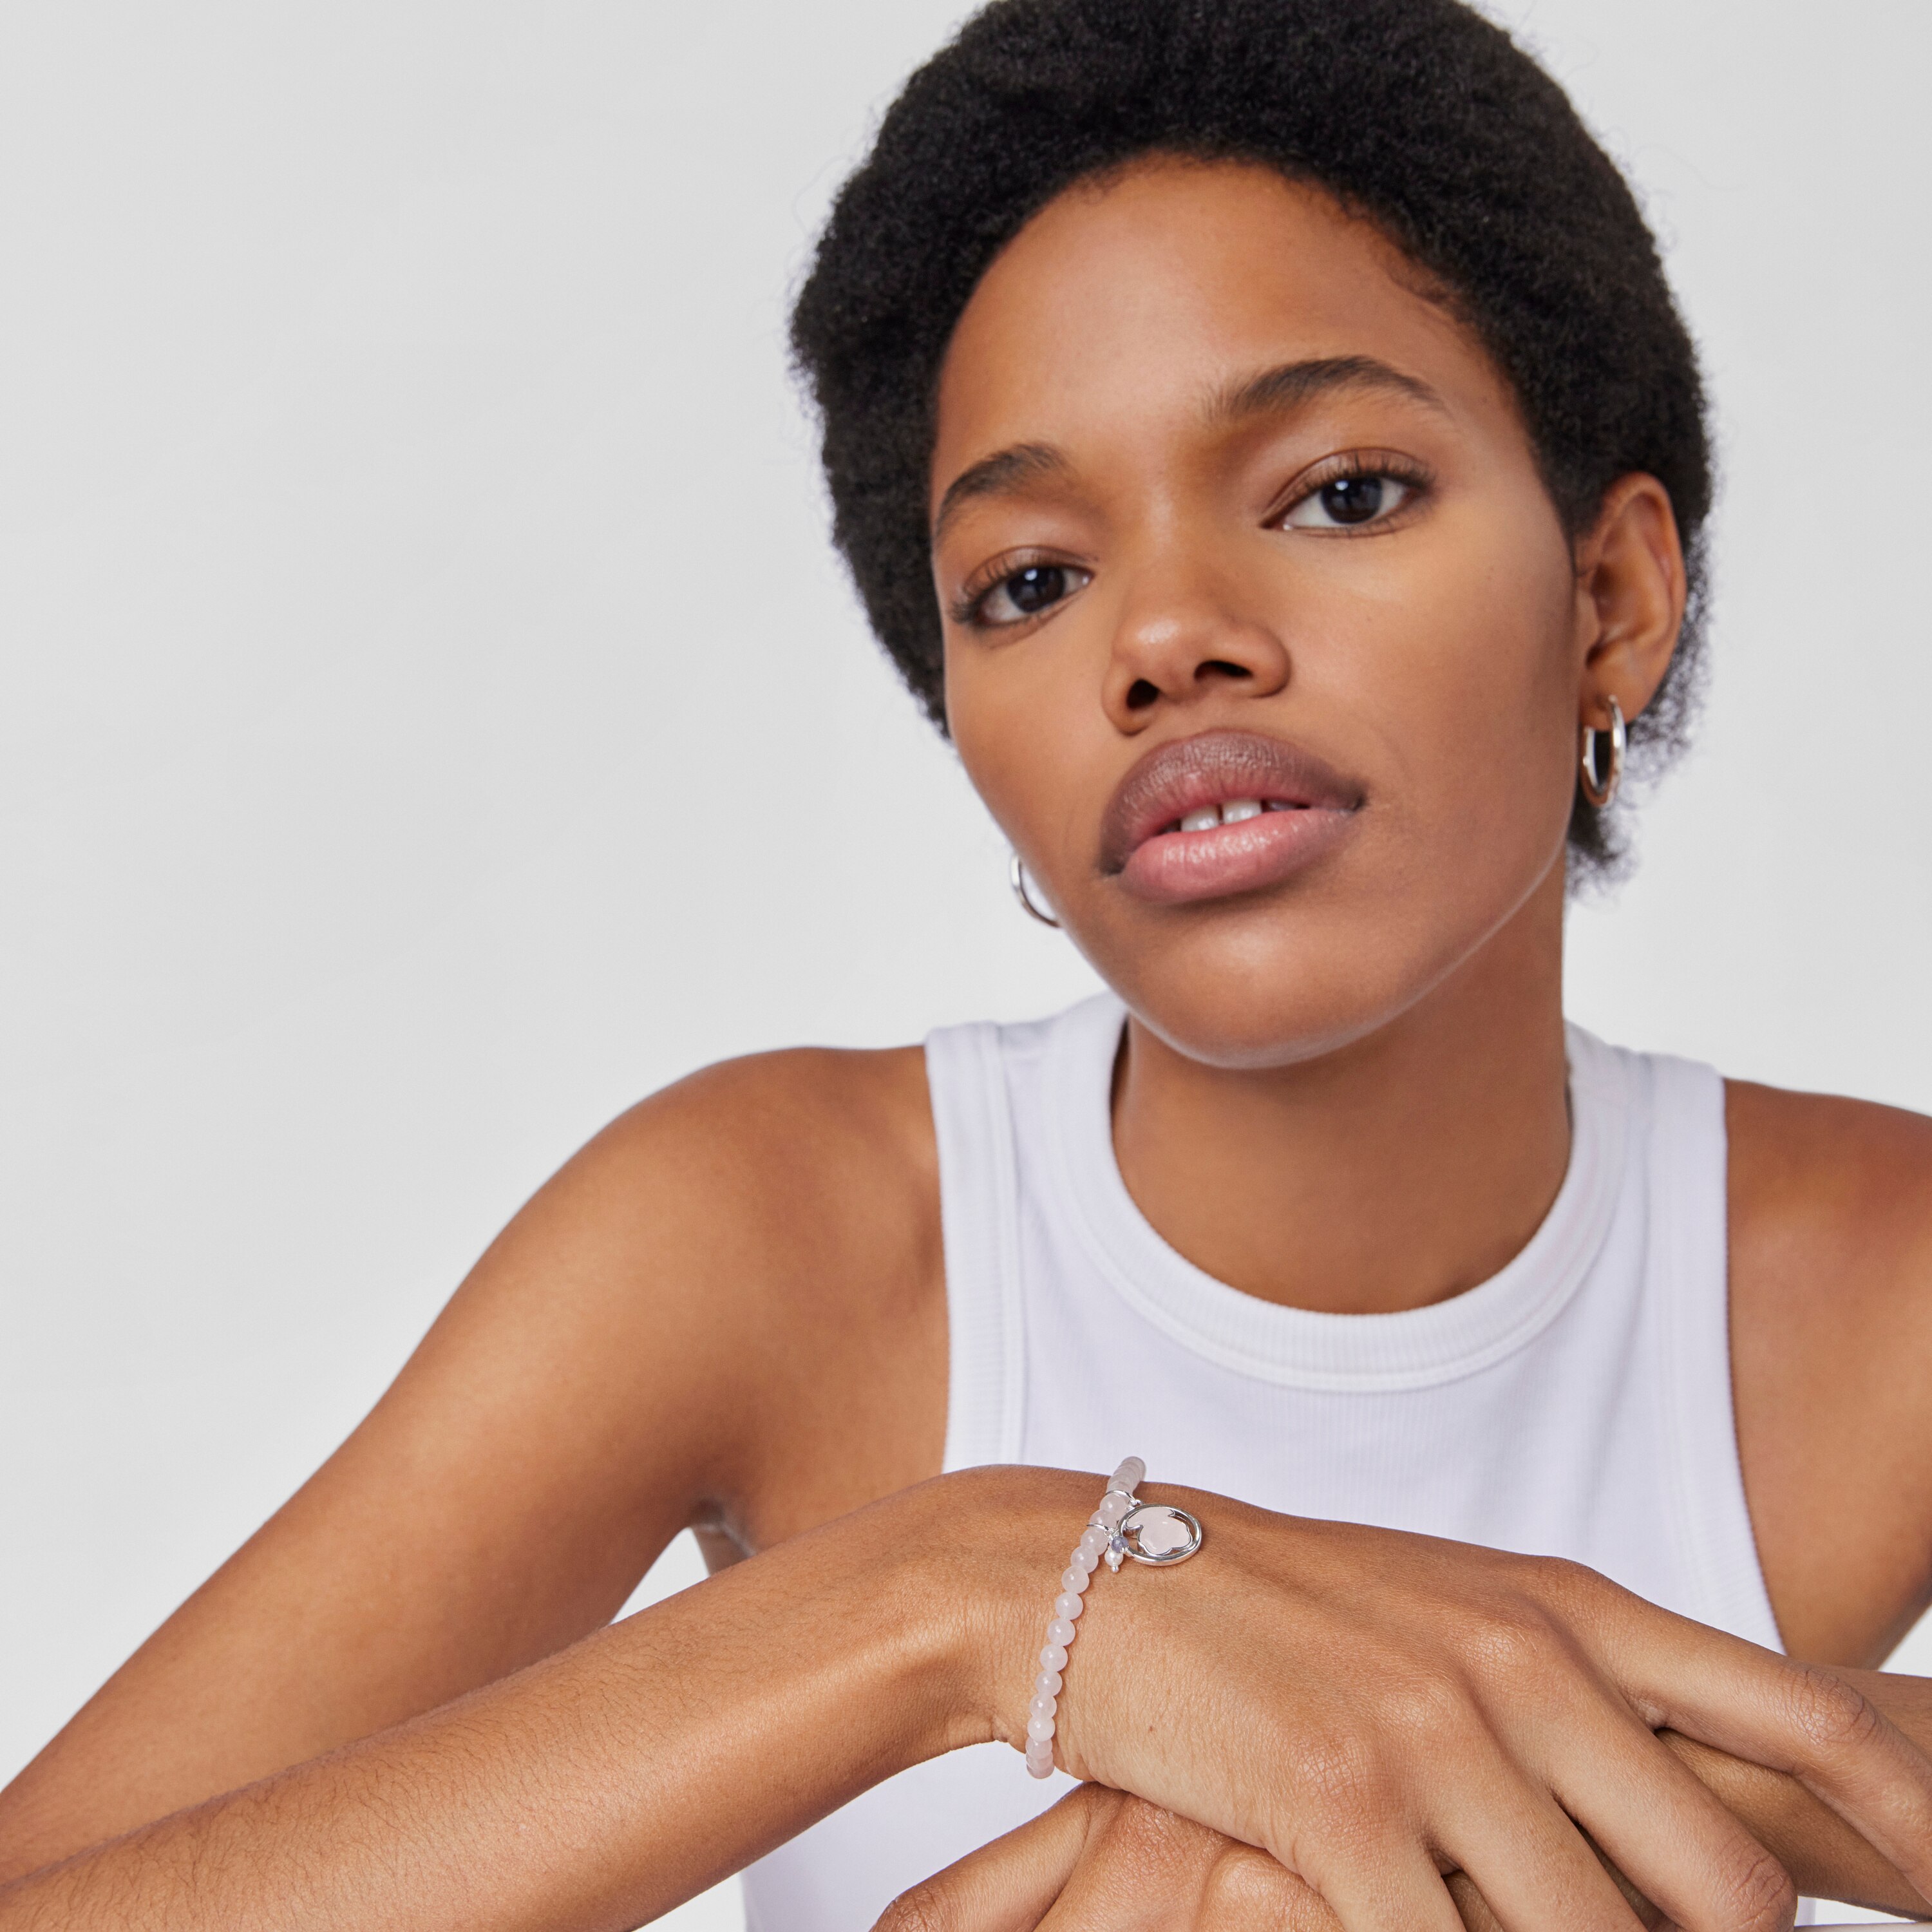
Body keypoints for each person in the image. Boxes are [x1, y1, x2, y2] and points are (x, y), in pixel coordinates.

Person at [4, 1, 1932, 1927]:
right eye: (1031, 580)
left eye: (1339, 492)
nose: (1168, 637)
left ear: (1613, 598)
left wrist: (1593, 1763)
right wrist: (974, 1594)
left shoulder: (1877, 1286)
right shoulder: (773, 1236)